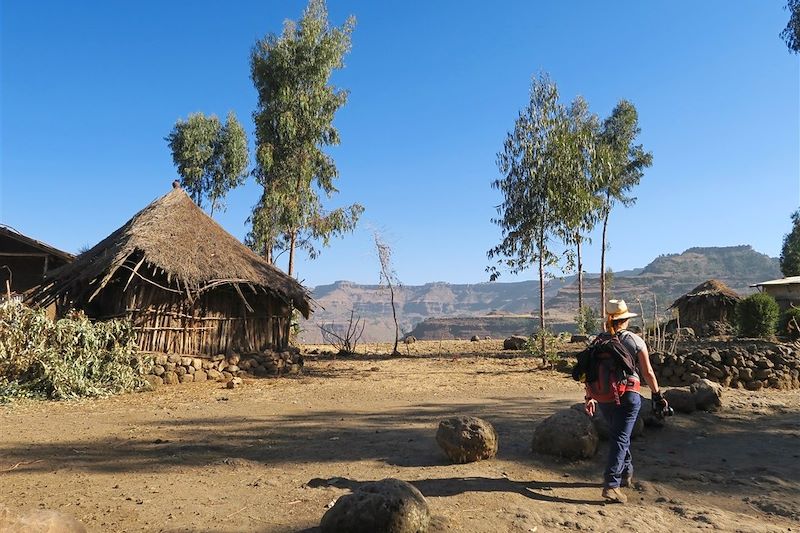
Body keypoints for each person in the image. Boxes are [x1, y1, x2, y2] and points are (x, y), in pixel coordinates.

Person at [584, 299, 668, 504]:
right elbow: (647, 372)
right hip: (627, 394)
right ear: (625, 320)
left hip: (603, 396)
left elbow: (589, 373)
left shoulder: (597, 341)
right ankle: (611, 485)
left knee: (619, 434)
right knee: (620, 437)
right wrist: (657, 395)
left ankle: (626, 473)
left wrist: (589, 397)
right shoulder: (634, 340)